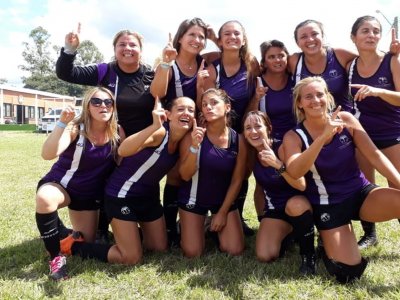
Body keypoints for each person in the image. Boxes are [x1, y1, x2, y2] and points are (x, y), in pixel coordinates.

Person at [56, 25, 172, 242]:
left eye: (132, 45)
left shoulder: (150, 74)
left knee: (145, 184)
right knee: (104, 183)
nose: (127, 48)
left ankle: (145, 226)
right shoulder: (104, 71)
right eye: (122, 44)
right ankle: (102, 229)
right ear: (114, 48)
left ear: (141, 49)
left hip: (142, 144)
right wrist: (69, 49)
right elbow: (66, 73)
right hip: (109, 142)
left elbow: (163, 97)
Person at [283, 76, 400, 283]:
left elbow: (375, 155)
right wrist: (322, 138)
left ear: (327, 97)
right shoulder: (294, 136)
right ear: (300, 103)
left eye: (320, 94)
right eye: (308, 97)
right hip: (329, 204)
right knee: (348, 273)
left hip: (360, 194)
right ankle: (329, 240)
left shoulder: (346, 119)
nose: (315, 100)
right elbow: (294, 171)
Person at [60, 96, 196, 265]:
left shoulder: (183, 142)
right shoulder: (160, 133)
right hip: (121, 195)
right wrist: (154, 126)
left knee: (159, 248)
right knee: (131, 257)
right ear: (168, 114)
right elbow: (123, 150)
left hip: (148, 198)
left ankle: (128, 234)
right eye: (181, 109)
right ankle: (73, 246)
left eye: (191, 110)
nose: (187, 113)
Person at [35, 87, 122, 280]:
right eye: (96, 102)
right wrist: (61, 123)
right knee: (45, 198)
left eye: (108, 102)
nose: (103, 106)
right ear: (87, 106)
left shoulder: (117, 132)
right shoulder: (76, 129)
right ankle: (55, 257)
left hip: (88, 196)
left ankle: (66, 239)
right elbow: (47, 154)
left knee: (85, 241)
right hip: (63, 185)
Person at [151, 18, 210, 246]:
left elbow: (205, 102)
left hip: (192, 128)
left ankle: (182, 222)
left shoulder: (205, 64)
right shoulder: (168, 61)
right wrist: (165, 63)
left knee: (182, 175)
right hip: (169, 127)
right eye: (191, 35)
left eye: (201, 37)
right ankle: (165, 224)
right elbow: (156, 93)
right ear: (181, 38)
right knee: (167, 174)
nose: (197, 40)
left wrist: (200, 88)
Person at [198, 20, 260, 235]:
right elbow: (208, 101)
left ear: (244, 39)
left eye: (236, 33)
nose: (232, 37)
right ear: (220, 40)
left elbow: (255, 96)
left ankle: (237, 215)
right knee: (216, 169)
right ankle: (202, 215)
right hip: (218, 127)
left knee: (243, 173)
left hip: (245, 128)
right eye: (226, 34)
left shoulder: (251, 64)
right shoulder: (212, 65)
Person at [348, 15, 400, 249]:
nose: (371, 35)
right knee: (365, 187)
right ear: (354, 37)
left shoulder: (393, 60)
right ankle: (370, 234)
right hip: (363, 135)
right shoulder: (350, 65)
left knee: (397, 185)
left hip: (392, 133)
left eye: (375, 31)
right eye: (365, 31)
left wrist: (378, 91)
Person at [243, 111, 315, 275]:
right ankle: (289, 233)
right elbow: (259, 189)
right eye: (248, 128)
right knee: (264, 255)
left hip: (300, 204)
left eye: (257, 126)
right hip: (277, 209)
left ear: (269, 128)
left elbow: (301, 185)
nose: (253, 131)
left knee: (294, 205)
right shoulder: (252, 154)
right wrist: (263, 220)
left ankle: (308, 256)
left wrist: (278, 165)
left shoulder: (282, 147)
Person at [178, 88, 247, 257]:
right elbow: (185, 175)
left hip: (222, 202)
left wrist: (222, 213)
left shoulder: (238, 140)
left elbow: (237, 180)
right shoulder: (193, 136)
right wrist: (194, 146)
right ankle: (189, 224)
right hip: (194, 200)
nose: (208, 107)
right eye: (204, 104)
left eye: (214, 103)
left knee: (234, 250)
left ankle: (211, 223)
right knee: (193, 252)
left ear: (227, 107)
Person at [247, 40, 297, 220]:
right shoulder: (257, 82)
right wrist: (256, 96)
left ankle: (298, 219)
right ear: (264, 61)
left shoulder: (295, 80)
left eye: (281, 55)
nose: (277, 60)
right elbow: (250, 114)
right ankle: (265, 220)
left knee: (295, 178)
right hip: (264, 140)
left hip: (293, 141)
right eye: (271, 57)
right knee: (263, 183)